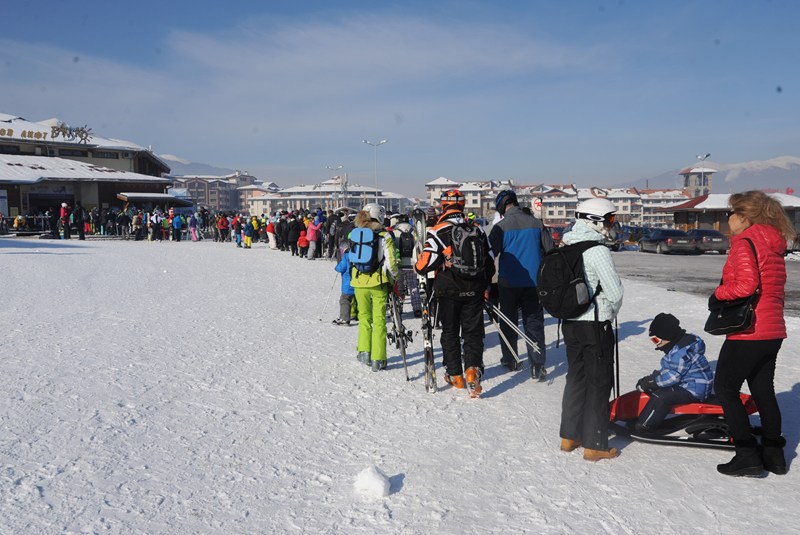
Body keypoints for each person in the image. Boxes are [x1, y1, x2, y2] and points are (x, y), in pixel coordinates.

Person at [712, 190, 794, 477]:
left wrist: (717, 294)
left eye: (731, 214)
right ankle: (774, 455)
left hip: (749, 330)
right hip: (773, 330)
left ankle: (746, 453)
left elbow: (745, 286)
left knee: (724, 388)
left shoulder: (745, 242)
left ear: (744, 217)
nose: (729, 219)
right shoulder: (773, 244)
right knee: (763, 390)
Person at [558, 197, 624, 461]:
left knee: (576, 379)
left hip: (570, 324)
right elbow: (614, 291)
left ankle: (569, 436)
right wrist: (611, 311)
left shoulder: (565, 244)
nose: (612, 224)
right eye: (609, 219)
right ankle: (595, 443)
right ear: (594, 221)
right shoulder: (598, 251)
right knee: (599, 382)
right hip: (596, 324)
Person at [415, 189, 494, 395]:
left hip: (448, 290)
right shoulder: (477, 228)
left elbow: (425, 265)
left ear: (444, 205)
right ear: (463, 205)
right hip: (474, 290)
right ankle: (472, 371)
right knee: (473, 333)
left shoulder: (438, 230)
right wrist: (484, 285)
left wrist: (420, 267)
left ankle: (455, 375)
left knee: (450, 332)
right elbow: (490, 262)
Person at [489, 189, 554, 378]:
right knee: (533, 322)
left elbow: (490, 253)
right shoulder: (537, 223)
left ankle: (511, 360)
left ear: (501, 206)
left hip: (508, 282)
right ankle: (537, 365)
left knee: (508, 322)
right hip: (534, 283)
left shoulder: (501, 227)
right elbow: (550, 250)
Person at [634, 313, 713, 431]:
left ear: (667, 336)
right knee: (659, 390)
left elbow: (673, 376)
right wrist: (654, 377)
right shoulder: (677, 348)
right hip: (688, 384)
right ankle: (643, 416)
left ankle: (646, 425)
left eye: (656, 340)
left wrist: (653, 382)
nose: (656, 344)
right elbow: (670, 369)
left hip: (694, 389)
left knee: (662, 397)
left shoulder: (680, 353)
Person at [350, 203, 399, 372]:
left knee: (364, 318)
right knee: (379, 321)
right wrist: (395, 278)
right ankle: (378, 359)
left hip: (358, 282)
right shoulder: (384, 235)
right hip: (378, 282)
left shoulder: (354, 234)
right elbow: (391, 262)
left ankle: (364, 352)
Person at [392, 219, 422, 318]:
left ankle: (399, 308)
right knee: (413, 286)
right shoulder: (413, 231)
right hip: (411, 264)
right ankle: (417, 309)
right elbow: (418, 246)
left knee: (399, 287)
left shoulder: (395, 232)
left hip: (399, 264)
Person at [333, 244, 356, 325]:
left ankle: (344, 318)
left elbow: (341, 267)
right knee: (356, 300)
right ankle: (357, 315)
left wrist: (337, 268)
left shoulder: (347, 255)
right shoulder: (359, 252)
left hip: (348, 283)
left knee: (345, 300)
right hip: (359, 282)